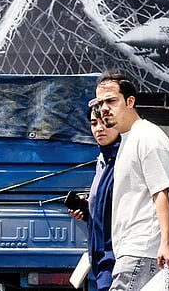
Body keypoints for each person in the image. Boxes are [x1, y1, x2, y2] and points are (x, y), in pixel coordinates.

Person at [92, 71, 169, 291]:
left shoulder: (148, 137)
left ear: (130, 101)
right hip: (133, 250)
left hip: (143, 249)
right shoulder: (127, 140)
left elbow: (161, 192)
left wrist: (166, 244)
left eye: (111, 101)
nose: (104, 108)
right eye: (101, 103)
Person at [69, 106, 121, 291]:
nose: (99, 128)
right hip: (100, 258)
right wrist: (87, 212)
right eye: (94, 123)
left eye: (105, 122)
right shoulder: (102, 162)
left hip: (119, 259)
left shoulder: (124, 160)